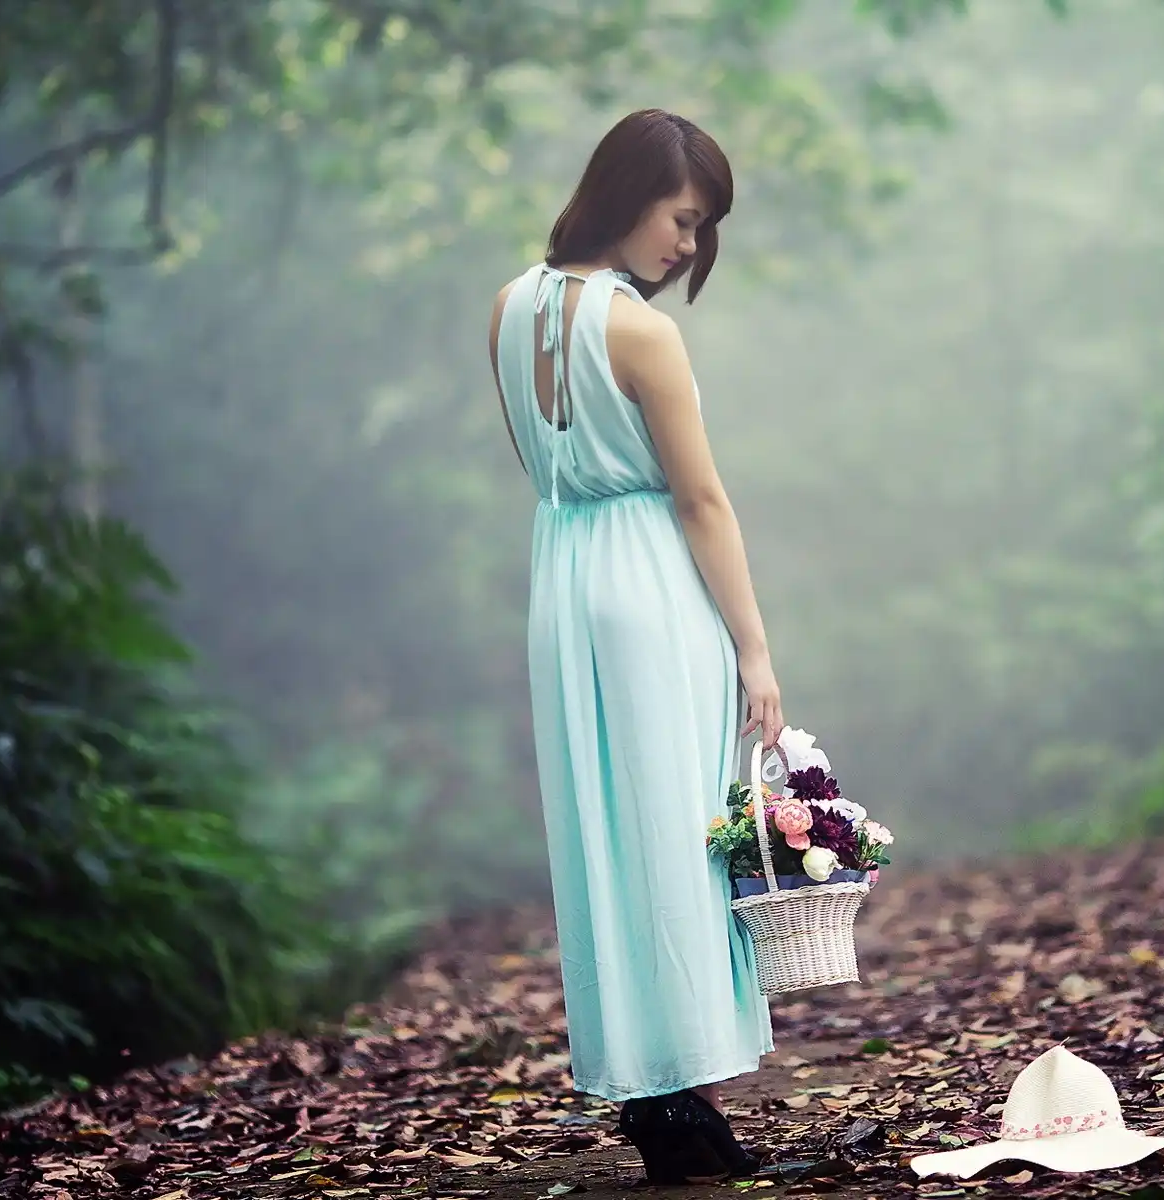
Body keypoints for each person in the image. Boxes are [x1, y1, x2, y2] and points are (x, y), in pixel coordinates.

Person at [486, 108, 782, 1184]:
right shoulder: (644, 331)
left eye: (702, 228)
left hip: (563, 577)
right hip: (652, 578)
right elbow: (700, 499)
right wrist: (754, 651)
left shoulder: (508, 308)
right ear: (626, 196)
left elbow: (541, 458)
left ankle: (647, 1084)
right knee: (678, 829)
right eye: (683, 218)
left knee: (604, 834)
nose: (690, 246)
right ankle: (686, 1083)